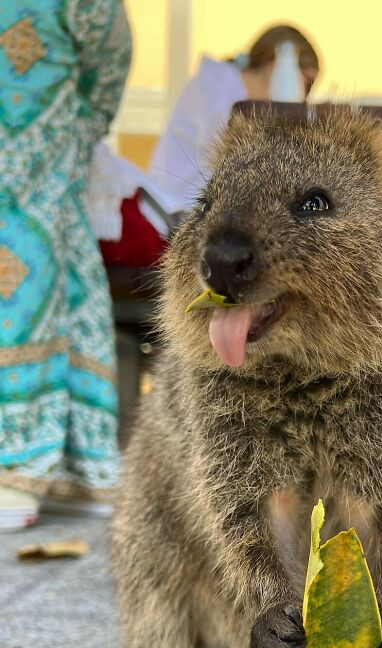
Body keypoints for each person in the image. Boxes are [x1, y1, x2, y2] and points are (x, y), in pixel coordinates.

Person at [0, 1, 131, 530]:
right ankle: (66, 471)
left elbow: (110, 49)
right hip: (42, 150)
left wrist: (78, 128)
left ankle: (20, 469)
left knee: (32, 286)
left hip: (43, 154)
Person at [101, 24, 321, 266]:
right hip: (173, 215)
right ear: (279, 68)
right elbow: (235, 170)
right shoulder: (220, 89)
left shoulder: (225, 88)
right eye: (306, 84)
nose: (305, 96)